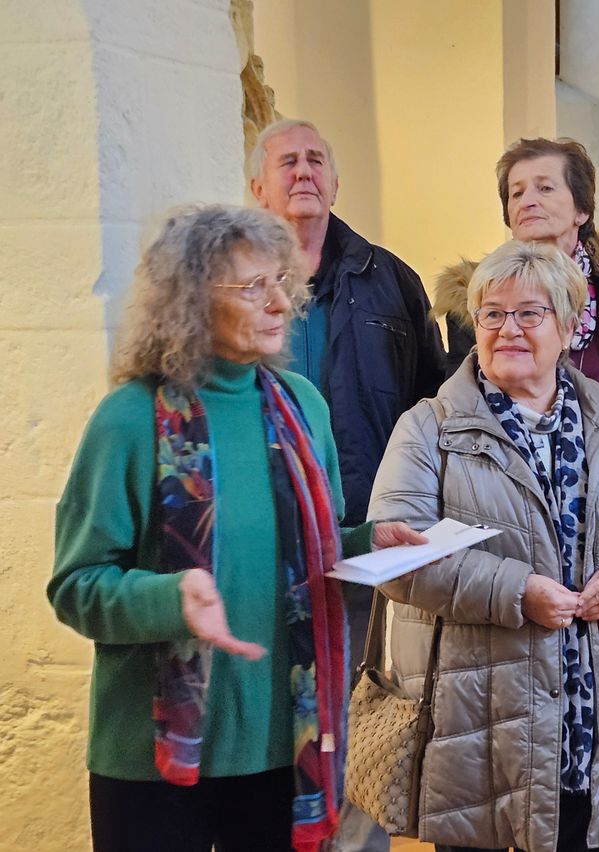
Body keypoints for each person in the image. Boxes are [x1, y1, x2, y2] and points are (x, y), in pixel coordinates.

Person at [48, 206, 424, 852]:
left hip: (288, 745)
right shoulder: (129, 421)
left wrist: (369, 542)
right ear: (189, 302)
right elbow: (76, 585)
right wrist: (167, 600)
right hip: (153, 758)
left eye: (282, 280)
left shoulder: (302, 407)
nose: (281, 302)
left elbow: (316, 546)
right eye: (254, 288)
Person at [370, 240, 599, 851]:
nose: (508, 329)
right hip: (477, 724)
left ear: (569, 328)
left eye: (530, 313)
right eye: (492, 313)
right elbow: (398, 558)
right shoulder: (428, 428)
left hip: (589, 722)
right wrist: (517, 592)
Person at [249, 118, 446, 851]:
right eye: (287, 160)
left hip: (366, 535)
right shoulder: (235, 279)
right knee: (273, 713)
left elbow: (429, 401)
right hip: (261, 543)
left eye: (317, 160)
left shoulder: (388, 279)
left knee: (367, 712)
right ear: (257, 186)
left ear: (336, 181)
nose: (304, 171)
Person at [432, 137, 599, 645]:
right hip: (513, 510)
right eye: (516, 192)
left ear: (582, 208)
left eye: (545, 187)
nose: (527, 200)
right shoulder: (478, 298)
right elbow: (458, 407)